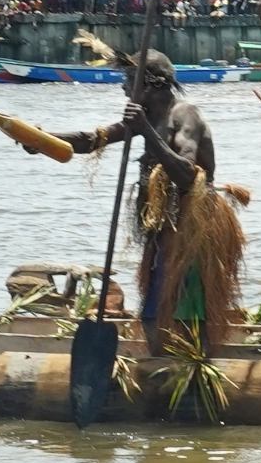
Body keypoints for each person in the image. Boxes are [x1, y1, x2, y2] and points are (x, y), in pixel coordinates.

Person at [38, 39, 247, 360]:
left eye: (127, 82)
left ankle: (195, 365)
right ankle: (160, 365)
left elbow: (188, 175)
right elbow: (93, 139)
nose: (123, 90)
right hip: (165, 228)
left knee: (188, 307)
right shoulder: (146, 117)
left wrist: (145, 131)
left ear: (148, 85)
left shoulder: (184, 115)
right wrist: (43, 139)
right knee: (153, 310)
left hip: (196, 230)